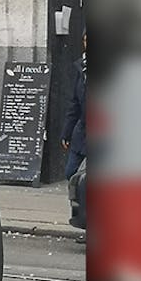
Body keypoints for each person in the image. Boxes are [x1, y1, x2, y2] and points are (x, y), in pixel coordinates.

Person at [62, 30, 87, 180]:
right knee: (71, 172)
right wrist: (67, 132)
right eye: (85, 41)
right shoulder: (81, 67)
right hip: (82, 131)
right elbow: (75, 104)